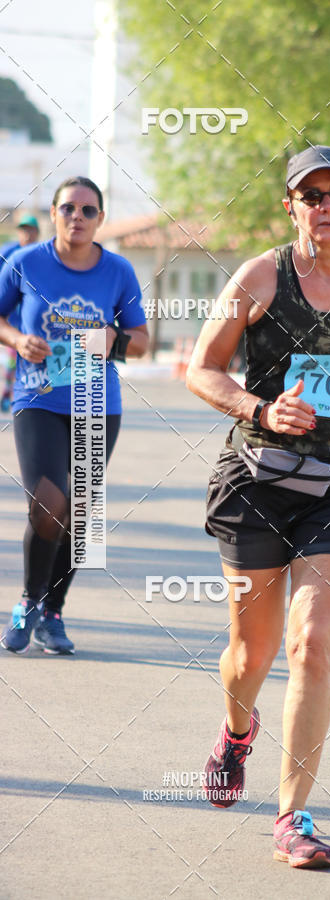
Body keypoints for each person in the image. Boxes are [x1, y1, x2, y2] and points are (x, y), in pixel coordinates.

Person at [186, 145, 330, 868]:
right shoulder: (261, 277)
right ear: (290, 205)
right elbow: (201, 368)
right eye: (310, 193)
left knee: (312, 643)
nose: (325, 204)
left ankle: (293, 817)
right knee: (250, 656)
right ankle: (235, 730)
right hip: (256, 486)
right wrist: (261, 407)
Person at [0, 176, 148, 655]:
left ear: (100, 219)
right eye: (68, 209)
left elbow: (142, 340)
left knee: (81, 514)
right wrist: (18, 340)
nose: (77, 218)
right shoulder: (24, 263)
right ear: (53, 214)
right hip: (38, 397)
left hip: (97, 403)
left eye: (87, 210)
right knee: (49, 502)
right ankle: (28, 601)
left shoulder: (119, 271)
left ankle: (53, 613)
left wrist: (116, 342)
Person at [0, 215, 40, 412]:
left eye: (31, 230)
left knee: (21, 356)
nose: (27, 233)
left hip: (30, 317)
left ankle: (18, 394)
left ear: (37, 233)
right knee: (13, 355)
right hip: (8, 316)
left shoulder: (40, 255)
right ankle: (8, 392)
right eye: (23, 229)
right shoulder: (8, 252)